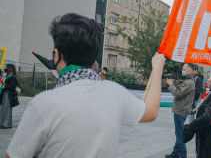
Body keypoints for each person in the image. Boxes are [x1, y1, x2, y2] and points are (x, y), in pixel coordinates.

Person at [6, 13, 166, 158]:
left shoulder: (43, 104)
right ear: (93, 56)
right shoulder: (114, 93)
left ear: (56, 55)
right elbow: (150, 111)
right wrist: (157, 68)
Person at [165, 63, 196, 158]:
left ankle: (182, 155)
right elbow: (180, 90)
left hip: (181, 110)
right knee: (178, 132)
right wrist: (173, 83)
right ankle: (176, 152)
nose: (183, 70)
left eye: (184, 69)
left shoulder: (189, 82)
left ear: (190, 70)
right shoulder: (188, 81)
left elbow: (177, 93)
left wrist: (170, 84)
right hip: (181, 109)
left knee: (179, 134)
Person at [0, 64, 20, 129]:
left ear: (9, 69)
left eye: (6, 68)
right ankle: (2, 123)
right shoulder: (7, 76)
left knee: (7, 109)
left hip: (8, 95)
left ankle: (6, 124)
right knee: (3, 109)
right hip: (5, 93)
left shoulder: (12, 77)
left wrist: (5, 84)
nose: (5, 69)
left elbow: (12, 87)